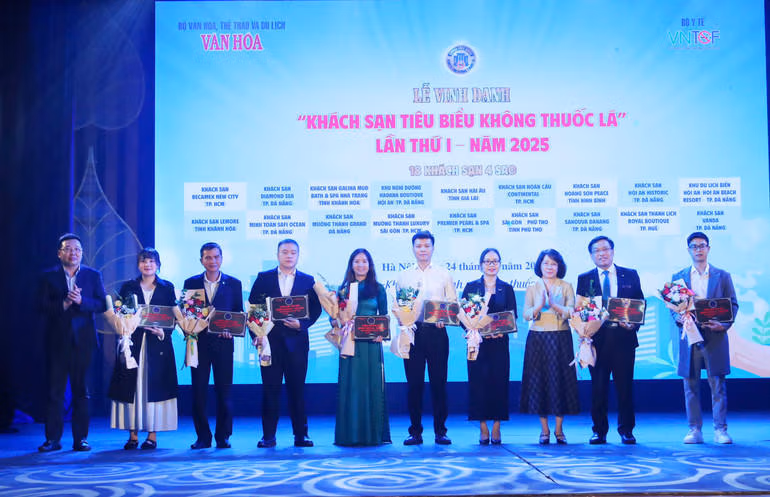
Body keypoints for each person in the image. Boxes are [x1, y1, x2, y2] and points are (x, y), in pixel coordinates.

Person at [248, 239, 322, 448]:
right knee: (270, 390)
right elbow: (253, 307)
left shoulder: (308, 280)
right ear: (277, 254)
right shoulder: (264, 278)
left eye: (293, 252)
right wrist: (256, 334)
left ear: (298, 255)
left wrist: (302, 324)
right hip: (269, 343)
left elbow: (316, 309)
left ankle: (301, 435)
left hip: (297, 344)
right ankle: (268, 436)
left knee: (297, 391)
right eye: (284, 252)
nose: (289, 255)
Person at [38, 233, 106, 452]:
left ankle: (81, 439)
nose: (73, 253)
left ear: (82, 253)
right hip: (57, 342)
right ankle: (52, 439)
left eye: (77, 249)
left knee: (82, 392)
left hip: (84, 343)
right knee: (54, 393)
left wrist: (81, 301)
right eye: (68, 249)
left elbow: (102, 304)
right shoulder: (48, 276)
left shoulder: (93, 275)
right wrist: (65, 303)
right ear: (60, 253)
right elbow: (40, 306)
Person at [670, 232, 738, 444]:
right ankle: (694, 430)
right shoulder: (679, 277)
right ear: (688, 250)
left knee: (718, 385)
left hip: (715, 336)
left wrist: (723, 325)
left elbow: (733, 304)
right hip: (690, 336)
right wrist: (680, 318)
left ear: (708, 248)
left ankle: (720, 430)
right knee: (690, 386)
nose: (698, 249)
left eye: (702, 245)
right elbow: (673, 307)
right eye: (694, 246)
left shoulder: (722, 276)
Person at [108, 248, 178, 450]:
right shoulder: (128, 286)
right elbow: (121, 313)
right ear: (138, 265)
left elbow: (174, 317)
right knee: (133, 388)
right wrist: (125, 327)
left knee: (153, 389)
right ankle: (132, 435)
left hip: (158, 346)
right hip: (133, 344)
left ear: (158, 264)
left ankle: (152, 435)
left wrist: (163, 332)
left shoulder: (167, 287)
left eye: (151, 261)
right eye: (143, 261)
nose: (147, 265)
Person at [576, 236, 644, 445]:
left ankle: (626, 430)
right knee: (598, 388)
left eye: (605, 249)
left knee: (625, 388)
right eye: (597, 251)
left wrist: (633, 324)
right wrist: (583, 329)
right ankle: (599, 430)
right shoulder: (584, 278)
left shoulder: (630, 274)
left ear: (612, 251)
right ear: (591, 255)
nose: (602, 254)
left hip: (624, 339)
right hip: (597, 341)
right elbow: (581, 309)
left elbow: (640, 303)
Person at [397, 230, 457, 445]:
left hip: (437, 333)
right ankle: (415, 432)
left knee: (439, 383)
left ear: (433, 248)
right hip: (413, 333)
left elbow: (452, 303)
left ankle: (441, 431)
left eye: (426, 246)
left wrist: (445, 318)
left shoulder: (443, 274)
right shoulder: (404, 275)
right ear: (413, 249)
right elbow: (401, 305)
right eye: (419, 246)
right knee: (414, 385)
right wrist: (403, 320)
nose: (423, 249)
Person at [184, 242, 243, 449]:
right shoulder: (191, 283)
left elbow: (238, 314)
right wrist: (190, 327)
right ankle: (203, 437)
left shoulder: (234, 284)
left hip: (224, 344)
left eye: (216, 257)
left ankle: (223, 436)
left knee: (224, 393)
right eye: (208, 257)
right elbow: (187, 313)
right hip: (199, 345)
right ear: (201, 260)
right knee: (199, 393)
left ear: (222, 259)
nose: (213, 261)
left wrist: (231, 329)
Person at [333, 248, 391, 446]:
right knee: (352, 387)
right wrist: (339, 322)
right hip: (350, 345)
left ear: (370, 265)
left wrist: (382, 333)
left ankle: (372, 435)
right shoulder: (343, 290)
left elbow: (384, 316)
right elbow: (336, 317)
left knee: (371, 387)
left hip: (372, 346)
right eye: (357, 261)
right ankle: (350, 435)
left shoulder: (378, 288)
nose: (360, 265)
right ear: (351, 265)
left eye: (364, 261)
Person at [521, 249, 578, 444]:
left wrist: (554, 305)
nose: (550, 267)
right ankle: (544, 430)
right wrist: (539, 305)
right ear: (540, 265)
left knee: (561, 383)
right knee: (540, 383)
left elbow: (572, 312)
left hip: (561, 338)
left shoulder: (566, 286)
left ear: (559, 266)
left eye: (553, 263)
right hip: (537, 338)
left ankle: (559, 430)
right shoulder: (532, 287)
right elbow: (526, 314)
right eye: (546, 263)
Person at [461, 248, 517, 445]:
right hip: (477, 343)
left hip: (499, 344)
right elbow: (463, 316)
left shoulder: (506, 288)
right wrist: (471, 328)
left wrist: (504, 330)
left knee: (499, 384)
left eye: (495, 261)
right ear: (481, 264)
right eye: (487, 261)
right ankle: (483, 427)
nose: (492, 264)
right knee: (478, 384)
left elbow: (512, 316)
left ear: (500, 264)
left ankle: (497, 427)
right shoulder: (471, 287)